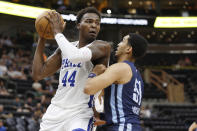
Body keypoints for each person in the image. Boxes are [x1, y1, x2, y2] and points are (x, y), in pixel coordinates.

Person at [32, 7, 111, 131]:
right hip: (55, 111)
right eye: (89, 21)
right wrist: (42, 37)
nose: (94, 26)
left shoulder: (102, 47)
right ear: (79, 25)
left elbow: (75, 56)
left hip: (80, 113)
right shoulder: (66, 49)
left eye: (97, 23)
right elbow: (38, 74)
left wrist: (57, 32)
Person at [84, 33, 148, 131]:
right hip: (131, 126)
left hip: (122, 127)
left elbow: (88, 88)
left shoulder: (121, 68)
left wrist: (94, 73)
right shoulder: (137, 75)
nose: (118, 44)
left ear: (128, 49)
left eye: (123, 41)